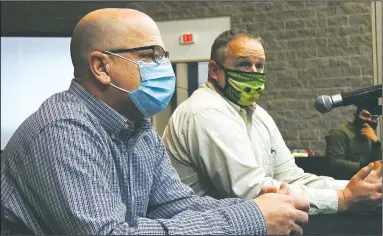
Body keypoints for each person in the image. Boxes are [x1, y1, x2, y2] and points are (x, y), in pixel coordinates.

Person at [0, 9, 311, 235]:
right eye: (150, 55)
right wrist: (252, 219)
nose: (164, 67)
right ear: (100, 66)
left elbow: (174, 205)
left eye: (163, 55)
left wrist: (256, 208)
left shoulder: (139, 126)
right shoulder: (64, 131)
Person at [162, 29, 382, 216]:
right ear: (214, 70)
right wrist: (342, 197)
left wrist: (356, 186)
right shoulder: (206, 111)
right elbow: (251, 192)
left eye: (259, 66)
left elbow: (291, 178)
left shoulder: (257, 114)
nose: (254, 73)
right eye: (243, 65)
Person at [325, 100, 382, 180]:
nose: (369, 120)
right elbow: (334, 162)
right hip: (344, 183)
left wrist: (376, 142)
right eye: (365, 115)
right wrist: (363, 166)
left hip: (365, 181)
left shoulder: (369, 135)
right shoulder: (339, 133)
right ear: (356, 115)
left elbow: (377, 163)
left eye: (374, 118)